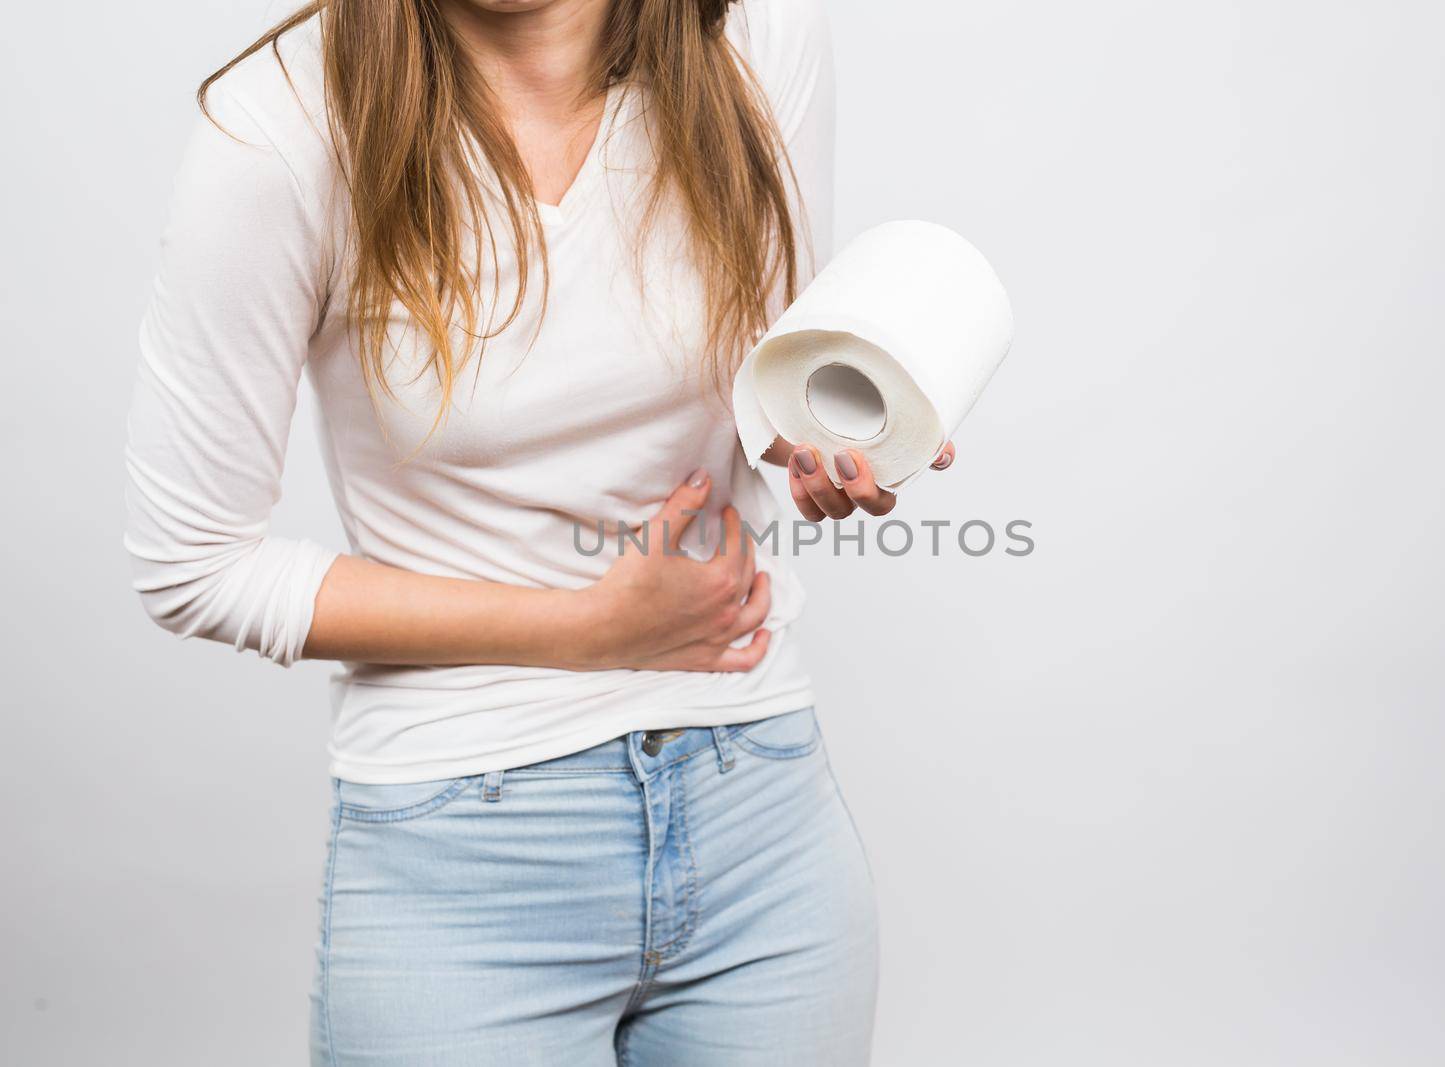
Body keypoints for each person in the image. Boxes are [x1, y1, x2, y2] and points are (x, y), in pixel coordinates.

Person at [125, 0, 953, 1061]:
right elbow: (193, 563)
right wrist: (588, 629)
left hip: (762, 818)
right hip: (467, 846)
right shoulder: (283, 127)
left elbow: (766, 384)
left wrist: (833, 439)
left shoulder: (757, 36)